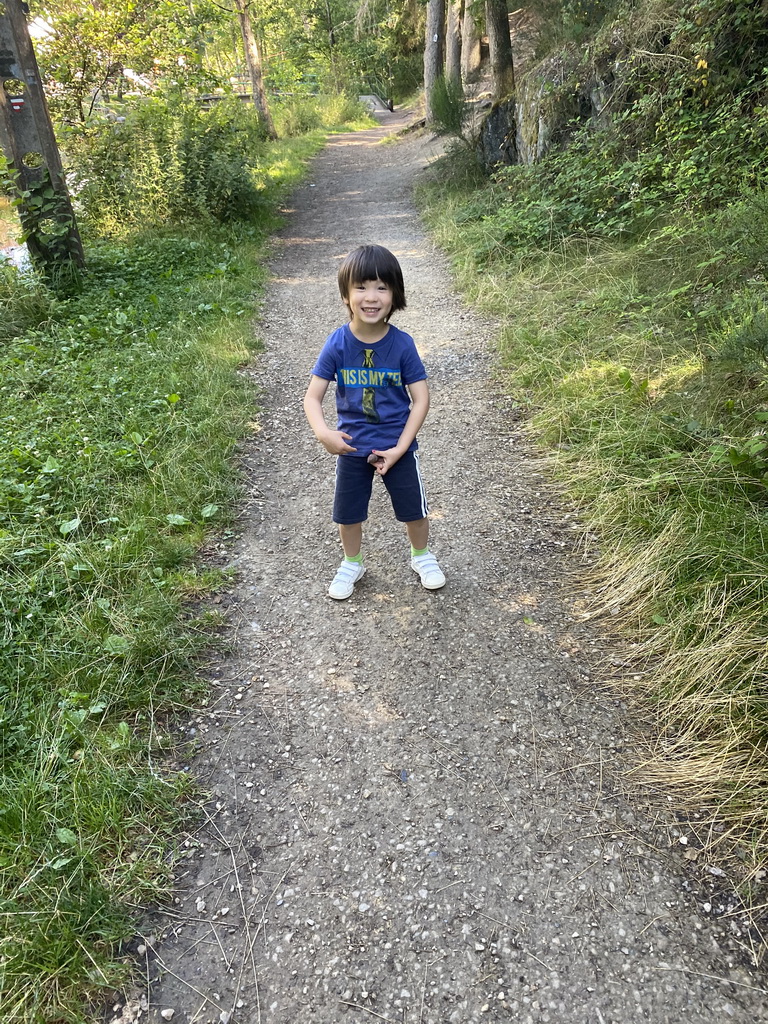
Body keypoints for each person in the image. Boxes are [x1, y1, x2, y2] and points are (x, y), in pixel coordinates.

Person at [303, 244, 446, 600]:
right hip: (351, 447)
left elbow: (421, 399)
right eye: (361, 287)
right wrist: (324, 434)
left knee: (414, 508)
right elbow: (312, 397)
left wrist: (400, 448)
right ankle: (352, 562)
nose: (371, 297)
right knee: (348, 513)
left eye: (382, 287)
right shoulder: (336, 344)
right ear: (346, 294)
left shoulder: (402, 345)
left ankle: (421, 556)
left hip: (397, 446)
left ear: (395, 294)